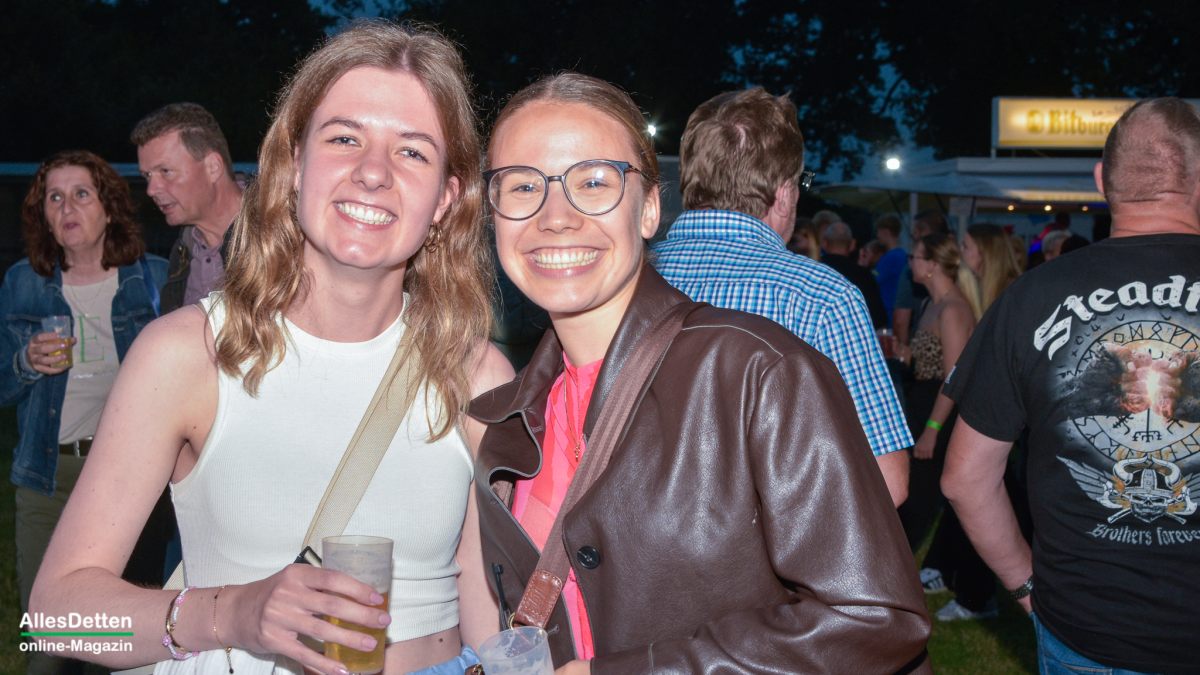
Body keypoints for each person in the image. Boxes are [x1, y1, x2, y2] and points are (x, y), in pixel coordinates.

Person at [31, 21, 512, 675]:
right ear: (293, 165)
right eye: (344, 138)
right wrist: (233, 613)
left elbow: (486, 617)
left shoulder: (477, 374)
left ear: (446, 199)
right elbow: (56, 615)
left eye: (412, 152)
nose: (373, 172)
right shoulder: (189, 354)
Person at [471, 72, 929, 674]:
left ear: (649, 209)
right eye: (524, 185)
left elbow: (877, 617)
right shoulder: (510, 414)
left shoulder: (760, 371)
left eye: (593, 182)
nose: (555, 216)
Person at [942, 97, 1200, 673]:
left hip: (1087, 630)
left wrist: (1025, 587)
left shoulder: (1031, 298)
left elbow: (965, 479)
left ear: (1101, 180)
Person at [652, 88, 913, 505]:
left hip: (631, 538)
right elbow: (886, 482)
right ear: (786, 192)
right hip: (760, 543)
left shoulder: (625, 282)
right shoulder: (821, 298)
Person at [1, 150, 167, 675]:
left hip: (125, 479)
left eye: (81, 194)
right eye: (54, 197)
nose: (66, 207)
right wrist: (24, 362)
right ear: (44, 216)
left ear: (109, 208)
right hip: (46, 477)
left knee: (116, 641)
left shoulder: (153, 278)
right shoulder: (23, 282)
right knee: (49, 638)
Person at [132, 102, 244, 313]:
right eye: (147, 176)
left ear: (213, 167)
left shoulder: (281, 235)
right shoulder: (184, 251)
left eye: (165, 171)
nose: (151, 190)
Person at [820, 221, 887, 328]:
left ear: (824, 243)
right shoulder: (864, 276)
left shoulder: (814, 271)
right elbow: (877, 318)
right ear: (852, 245)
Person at [960, 223, 1021, 320]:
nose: (961, 251)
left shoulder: (1011, 292)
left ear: (984, 252)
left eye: (965, 246)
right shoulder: (978, 285)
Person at [873, 214, 907, 324]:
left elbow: (873, 280)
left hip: (888, 311)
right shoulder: (902, 255)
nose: (877, 236)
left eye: (879, 232)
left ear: (886, 232)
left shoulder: (891, 257)